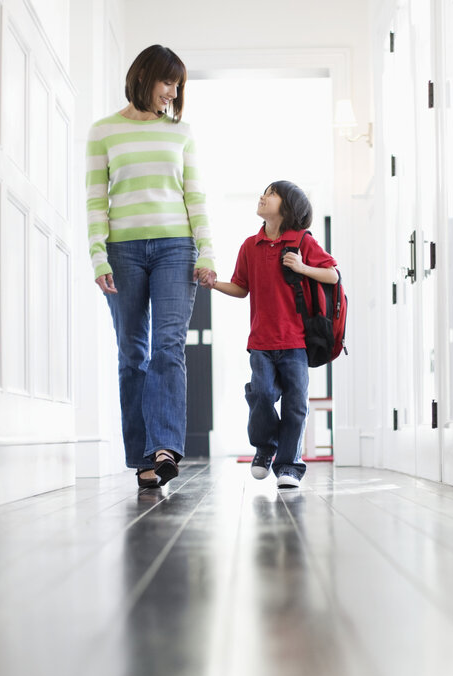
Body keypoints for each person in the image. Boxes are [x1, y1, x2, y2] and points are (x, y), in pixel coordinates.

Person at [88, 45, 217, 489]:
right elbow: (95, 202)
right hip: (122, 251)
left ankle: (165, 448)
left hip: (175, 248)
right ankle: (142, 457)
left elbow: (194, 196)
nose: (172, 93)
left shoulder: (180, 133)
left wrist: (207, 252)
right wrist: (98, 255)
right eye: (168, 83)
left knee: (168, 345)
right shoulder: (103, 131)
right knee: (132, 354)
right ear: (144, 77)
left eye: (178, 86)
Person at [201, 181, 338, 488]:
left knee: (295, 404)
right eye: (264, 192)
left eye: (271, 193)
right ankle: (266, 447)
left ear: (288, 207)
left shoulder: (302, 242)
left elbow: (332, 274)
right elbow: (241, 288)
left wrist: (302, 267)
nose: (263, 196)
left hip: (297, 342)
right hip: (261, 342)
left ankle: (288, 467)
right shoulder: (250, 245)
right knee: (261, 393)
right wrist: (213, 284)